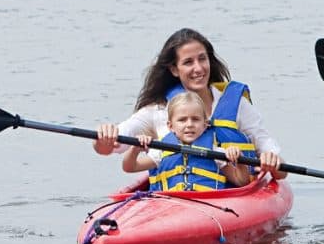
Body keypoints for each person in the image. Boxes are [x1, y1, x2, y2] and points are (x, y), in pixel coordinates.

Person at [94, 28, 286, 181]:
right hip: (176, 200)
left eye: (202, 58)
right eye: (188, 62)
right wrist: (103, 137)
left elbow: (279, 168)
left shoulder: (237, 105)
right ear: (174, 69)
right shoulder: (159, 110)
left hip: (234, 193)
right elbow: (107, 148)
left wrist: (272, 162)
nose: (198, 68)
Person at [123, 91, 252, 191]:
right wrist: (135, 149)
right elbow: (129, 167)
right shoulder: (161, 151)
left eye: (195, 119)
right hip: (170, 206)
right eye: (182, 120)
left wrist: (238, 159)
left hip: (208, 205)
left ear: (205, 124)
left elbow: (241, 181)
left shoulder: (216, 153)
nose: (189, 124)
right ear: (170, 126)